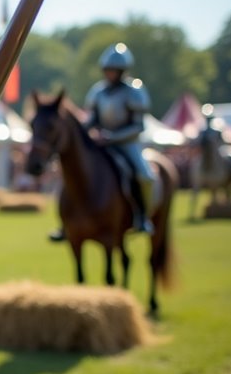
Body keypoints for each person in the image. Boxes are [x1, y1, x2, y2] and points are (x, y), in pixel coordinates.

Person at [48, 42, 155, 241]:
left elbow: (138, 126)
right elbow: (91, 120)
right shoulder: (98, 92)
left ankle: (142, 217)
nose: (110, 74)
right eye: (107, 70)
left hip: (126, 143)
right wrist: (84, 133)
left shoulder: (134, 91)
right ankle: (66, 223)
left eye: (114, 71)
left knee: (145, 176)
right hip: (100, 142)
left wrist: (112, 137)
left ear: (122, 71)